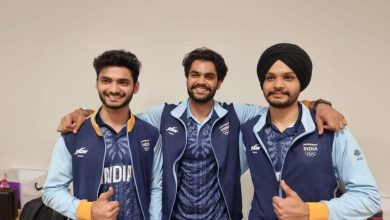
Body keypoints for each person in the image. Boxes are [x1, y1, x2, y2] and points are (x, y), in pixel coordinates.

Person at [57, 47, 346, 220]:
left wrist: (318, 105)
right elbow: (119, 116)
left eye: (209, 76)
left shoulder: (236, 115)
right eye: (195, 74)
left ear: (218, 82)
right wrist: (82, 112)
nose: (201, 81)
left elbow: (280, 105)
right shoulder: (164, 115)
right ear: (187, 78)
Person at [240, 43, 381, 219]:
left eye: (288, 77)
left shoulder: (330, 129)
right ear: (262, 82)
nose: (278, 84)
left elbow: (369, 198)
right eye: (270, 78)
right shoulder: (248, 129)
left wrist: (311, 212)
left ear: (301, 82)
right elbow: (221, 174)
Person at [42, 50, 162, 220]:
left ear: (136, 86)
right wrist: (88, 210)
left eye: (123, 82)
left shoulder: (150, 134)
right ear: (97, 83)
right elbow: (51, 190)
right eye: (106, 81)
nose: (113, 89)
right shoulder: (74, 134)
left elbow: (156, 187)